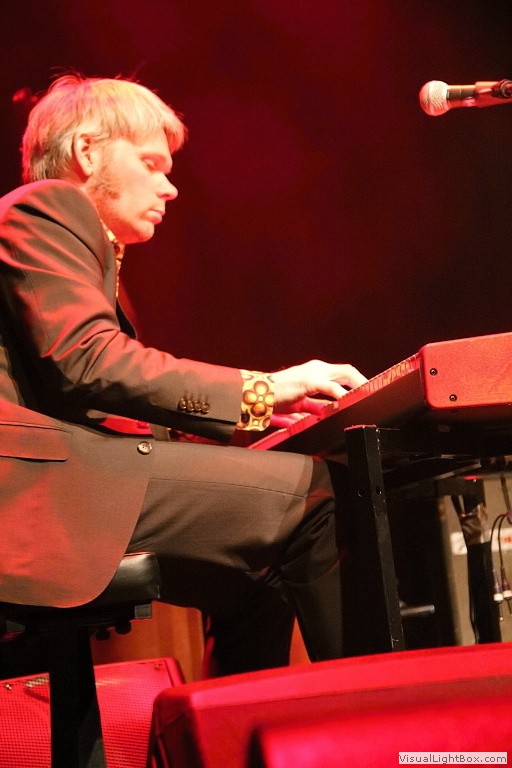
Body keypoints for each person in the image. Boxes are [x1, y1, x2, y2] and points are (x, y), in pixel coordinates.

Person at [0, 74, 367, 677]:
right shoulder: (47, 207)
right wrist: (261, 389)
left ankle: (238, 726)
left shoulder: (78, 247)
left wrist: (243, 422)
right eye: (151, 163)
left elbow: (77, 396)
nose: (169, 187)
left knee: (259, 567)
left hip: (63, 482)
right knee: (318, 494)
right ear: (86, 151)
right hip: (38, 495)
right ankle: (372, 709)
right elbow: (89, 361)